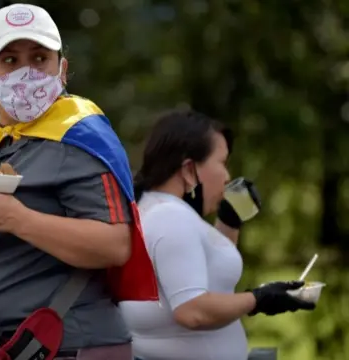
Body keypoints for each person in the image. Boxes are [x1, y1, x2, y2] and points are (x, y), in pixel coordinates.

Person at [0, 3, 159, 360]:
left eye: (39, 58)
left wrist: (17, 218)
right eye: (9, 61)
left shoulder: (81, 136)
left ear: (62, 69)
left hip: (66, 344)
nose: (26, 73)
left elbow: (115, 245)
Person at [118, 110, 315, 360]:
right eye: (222, 163)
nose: (228, 177)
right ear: (189, 169)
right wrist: (258, 299)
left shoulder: (154, 209)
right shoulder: (171, 217)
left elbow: (209, 280)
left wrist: (229, 221)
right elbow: (192, 311)